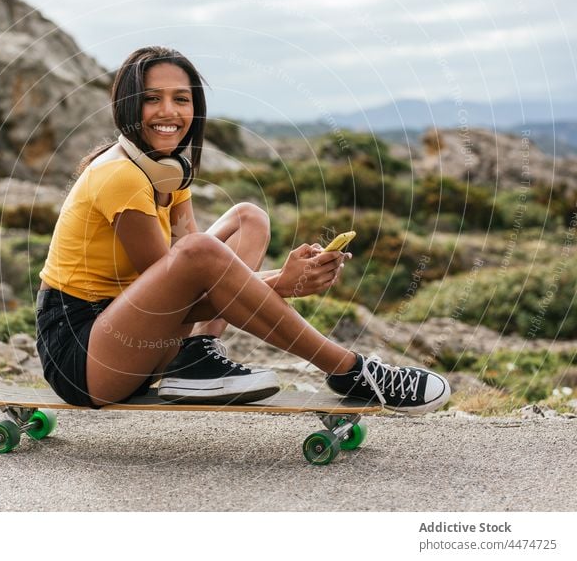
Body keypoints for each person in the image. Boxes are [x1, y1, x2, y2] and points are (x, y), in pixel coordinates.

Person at [36, 45, 450, 413]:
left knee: (248, 217)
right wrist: (279, 283)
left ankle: (196, 354)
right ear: (127, 106)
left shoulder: (166, 174)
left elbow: (189, 283)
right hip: (84, 356)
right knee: (200, 251)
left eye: (181, 99)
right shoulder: (120, 177)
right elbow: (169, 300)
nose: (169, 112)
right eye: (151, 100)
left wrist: (270, 283)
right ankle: (350, 370)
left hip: (131, 333)